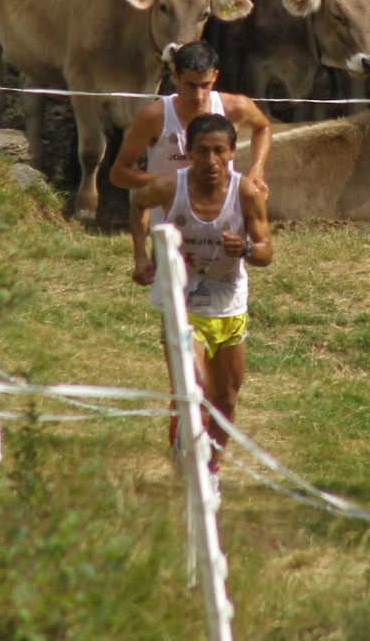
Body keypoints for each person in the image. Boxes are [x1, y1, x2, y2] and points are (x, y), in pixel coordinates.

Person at [130, 113, 273, 493]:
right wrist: (141, 258)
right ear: (188, 152)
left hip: (227, 304)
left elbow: (266, 252)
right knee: (194, 385)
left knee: (224, 397)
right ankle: (184, 436)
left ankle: (212, 468)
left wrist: (243, 248)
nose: (210, 161)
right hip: (181, 302)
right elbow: (137, 205)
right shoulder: (167, 186)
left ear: (231, 153)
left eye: (219, 152)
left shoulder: (245, 194)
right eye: (202, 151)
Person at [110, 40, 271, 209]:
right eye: (190, 85)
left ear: (215, 76)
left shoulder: (235, 107)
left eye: (205, 85)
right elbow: (119, 174)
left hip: (222, 218)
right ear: (175, 77)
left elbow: (263, 127)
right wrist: (171, 184)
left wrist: (257, 169)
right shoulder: (154, 116)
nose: (198, 96)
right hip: (170, 221)